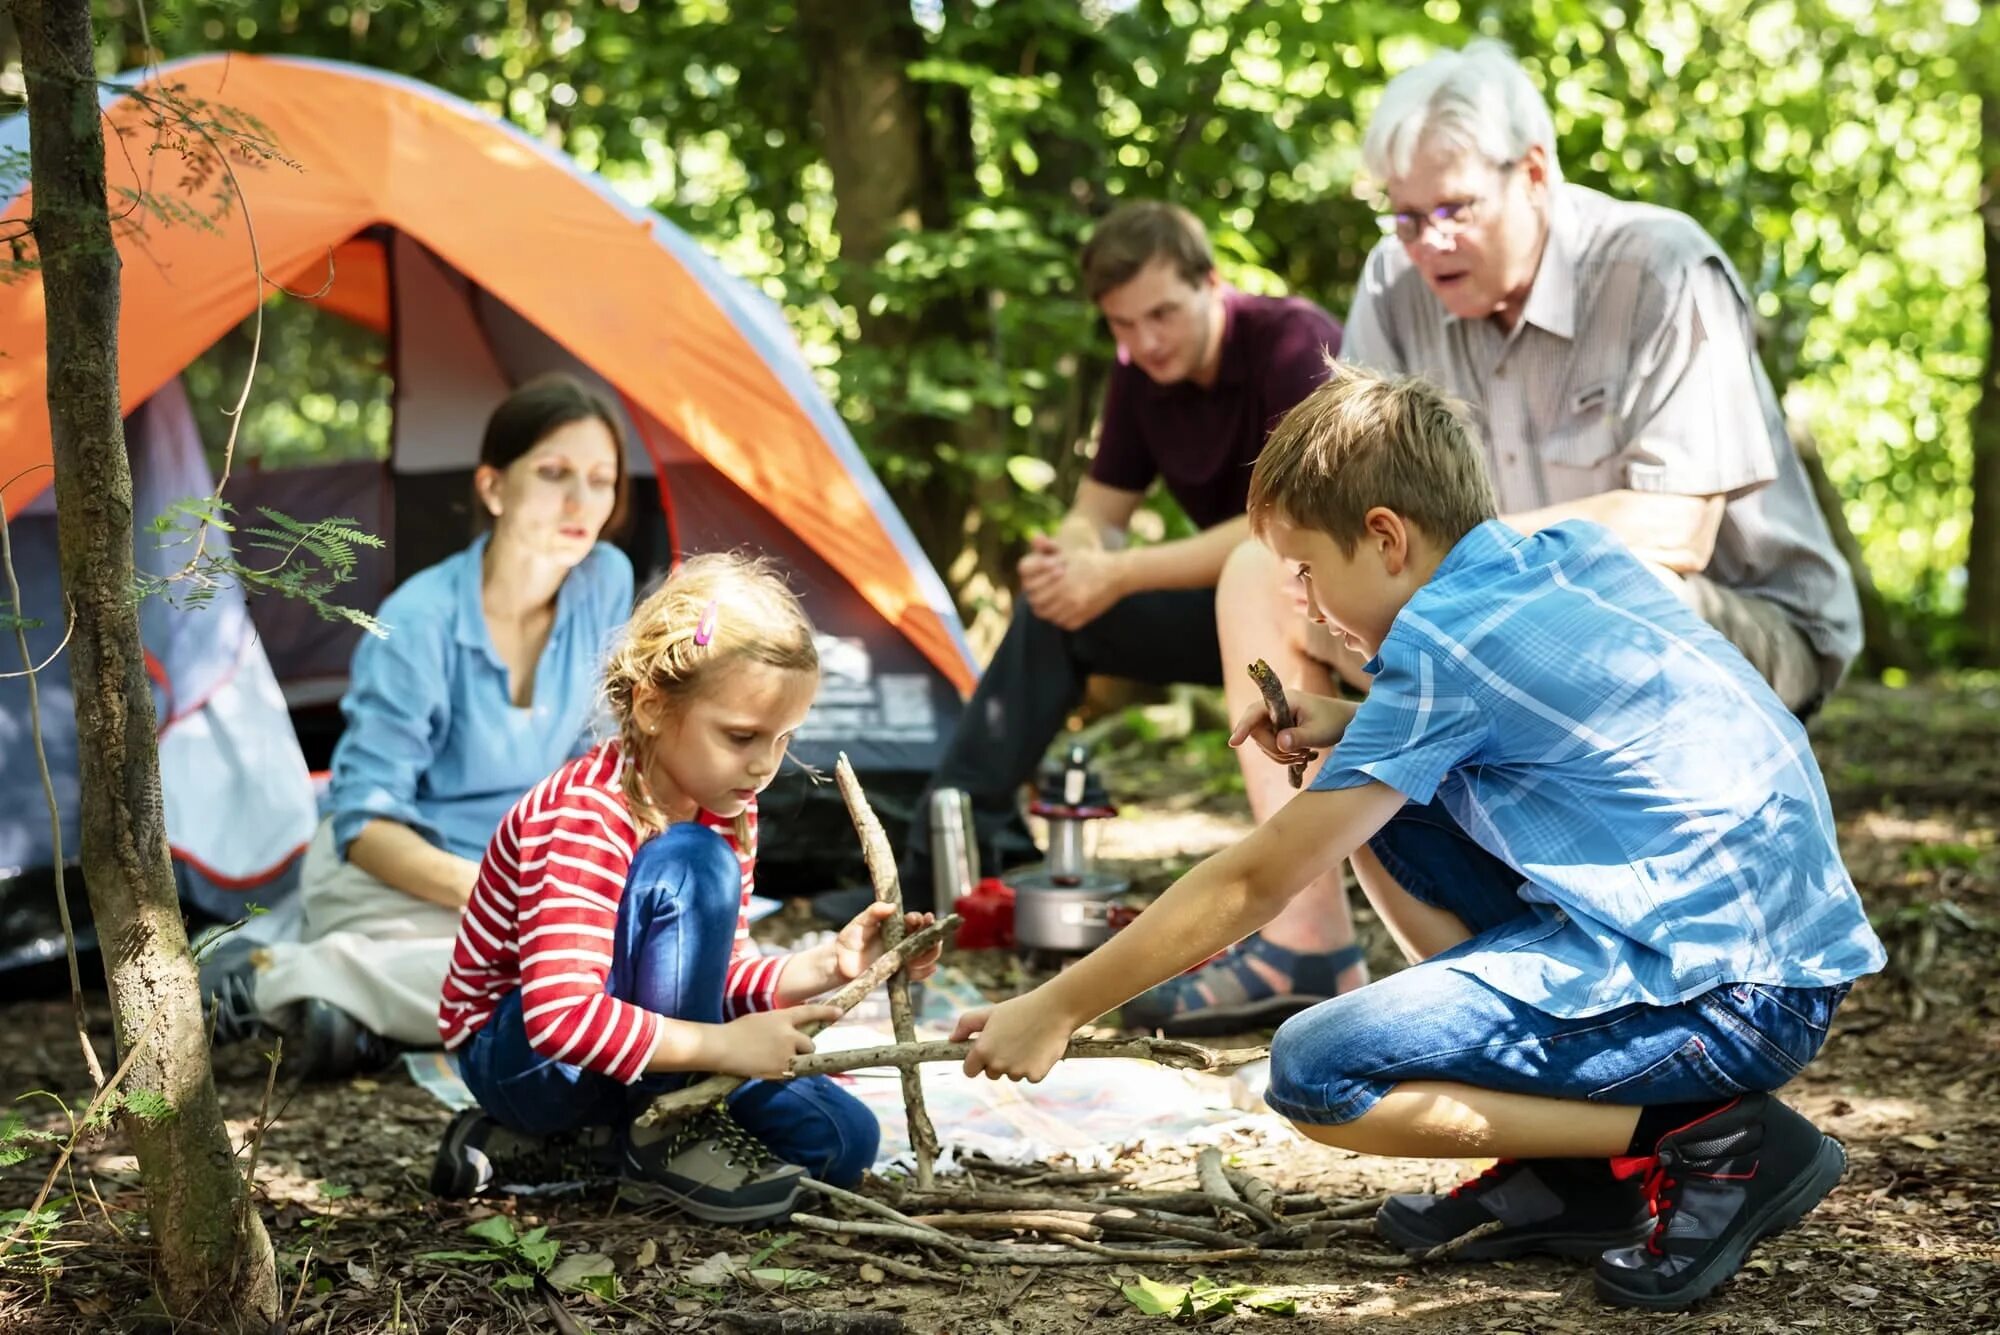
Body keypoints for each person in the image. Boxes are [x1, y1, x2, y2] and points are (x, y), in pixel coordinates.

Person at [953, 367, 1885, 1312]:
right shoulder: (1555, 552)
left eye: (1310, 571)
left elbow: (1262, 878)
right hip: (1769, 953)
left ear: (1387, 538)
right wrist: (1349, 722)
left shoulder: (1442, 648)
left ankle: (1711, 1138)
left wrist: (1061, 1003)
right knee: (1388, 805)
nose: (1307, 605)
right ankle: (1570, 1171)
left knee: (1318, 1073)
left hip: (1726, 999)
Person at [1149, 38, 1866, 1033]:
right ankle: (1304, 936)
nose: (1426, 243)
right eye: (1403, 217)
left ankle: (1613, 984)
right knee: (1258, 572)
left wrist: (1454, 576)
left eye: (1452, 211)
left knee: (1601, 600)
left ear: (1532, 172)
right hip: (1482, 618)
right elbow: (1337, 503)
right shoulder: (1391, 285)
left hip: (1724, 614)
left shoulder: (1656, 268)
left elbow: (1675, 527)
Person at [899, 201, 1368, 1026]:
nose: (1147, 342)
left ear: (1211, 283)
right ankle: (945, 863)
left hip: (1323, 601)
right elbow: (1099, 508)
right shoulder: (1138, 374)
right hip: (1226, 604)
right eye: (1125, 326)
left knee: (1221, 575)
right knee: (1056, 613)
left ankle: (1308, 937)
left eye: (1163, 314)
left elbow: (1279, 519)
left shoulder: (1293, 342)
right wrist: (1071, 558)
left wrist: (1114, 572)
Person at [427, 553, 941, 1220]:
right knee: (691, 860)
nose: (763, 764)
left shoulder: (726, 803)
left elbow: (713, 978)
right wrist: (725, 1047)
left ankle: (569, 1146)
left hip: (648, 1050)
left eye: (784, 739)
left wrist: (833, 965)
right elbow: (559, 1019)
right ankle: (653, 1134)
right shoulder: (587, 814)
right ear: (651, 706)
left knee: (841, 1141)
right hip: (524, 1057)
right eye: (741, 735)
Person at [207, 374, 636, 1077]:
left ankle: (338, 996)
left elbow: (599, 758)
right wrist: (512, 896)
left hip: (514, 873)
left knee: (606, 961)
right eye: (554, 473)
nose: (580, 502)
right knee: (565, 982)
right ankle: (277, 982)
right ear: (494, 488)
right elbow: (366, 827)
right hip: (392, 874)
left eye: (601, 480)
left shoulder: (605, 579)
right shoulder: (417, 621)